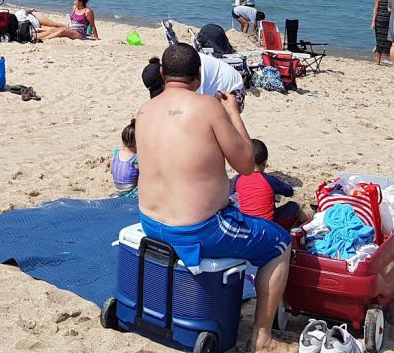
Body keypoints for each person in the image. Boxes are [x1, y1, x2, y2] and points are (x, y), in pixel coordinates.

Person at [135, 44, 289, 352]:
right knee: (280, 244)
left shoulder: (144, 110)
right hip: (199, 229)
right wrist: (232, 112)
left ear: (163, 74)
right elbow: (246, 166)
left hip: (151, 223)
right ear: (199, 75)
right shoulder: (208, 107)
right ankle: (263, 337)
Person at [232, 139, 302, 229]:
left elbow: (231, 197)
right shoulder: (270, 180)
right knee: (294, 206)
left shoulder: (237, 179)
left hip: (245, 225)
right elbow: (289, 191)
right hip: (269, 227)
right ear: (264, 163)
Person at [111, 119, 139, 196]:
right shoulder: (135, 159)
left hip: (118, 189)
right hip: (130, 193)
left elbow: (111, 171)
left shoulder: (116, 153)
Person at [370, 0, 393, 65]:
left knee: (389, 42)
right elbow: (375, 10)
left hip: (389, 22)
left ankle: (392, 62)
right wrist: (373, 22)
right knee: (379, 42)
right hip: (379, 22)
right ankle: (378, 62)